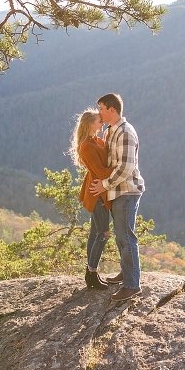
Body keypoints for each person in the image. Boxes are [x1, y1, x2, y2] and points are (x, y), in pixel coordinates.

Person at [89, 93, 145, 302]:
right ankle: (126, 274)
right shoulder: (112, 130)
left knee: (126, 236)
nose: (99, 113)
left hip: (126, 190)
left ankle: (132, 285)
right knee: (122, 235)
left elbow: (126, 167)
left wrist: (104, 185)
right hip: (117, 190)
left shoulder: (126, 132)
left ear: (111, 109)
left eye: (101, 108)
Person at [69, 108, 113, 290]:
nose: (102, 123)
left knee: (95, 234)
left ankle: (91, 274)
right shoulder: (86, 146)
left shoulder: (97, 140)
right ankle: (91, 273)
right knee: (103, 234)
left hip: (99, 190)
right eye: (99, 121)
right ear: (89, 124)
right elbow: (102, 172)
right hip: (97, 193)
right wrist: (124, 168)